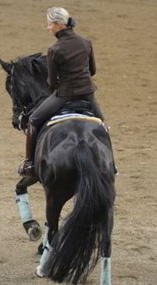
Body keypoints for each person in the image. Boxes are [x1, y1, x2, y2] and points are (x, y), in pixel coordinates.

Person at [19, 7, 106, 176]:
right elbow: (92, 70)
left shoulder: (55, 49)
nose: (48, 28)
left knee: (33, 120)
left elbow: (52, 82)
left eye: (50, 24)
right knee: (102, 123)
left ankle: (29, 163)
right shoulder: (86, 43)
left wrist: (59, 88)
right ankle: (112, 165)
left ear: (59, 25)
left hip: (65, 95)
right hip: (88, 95)